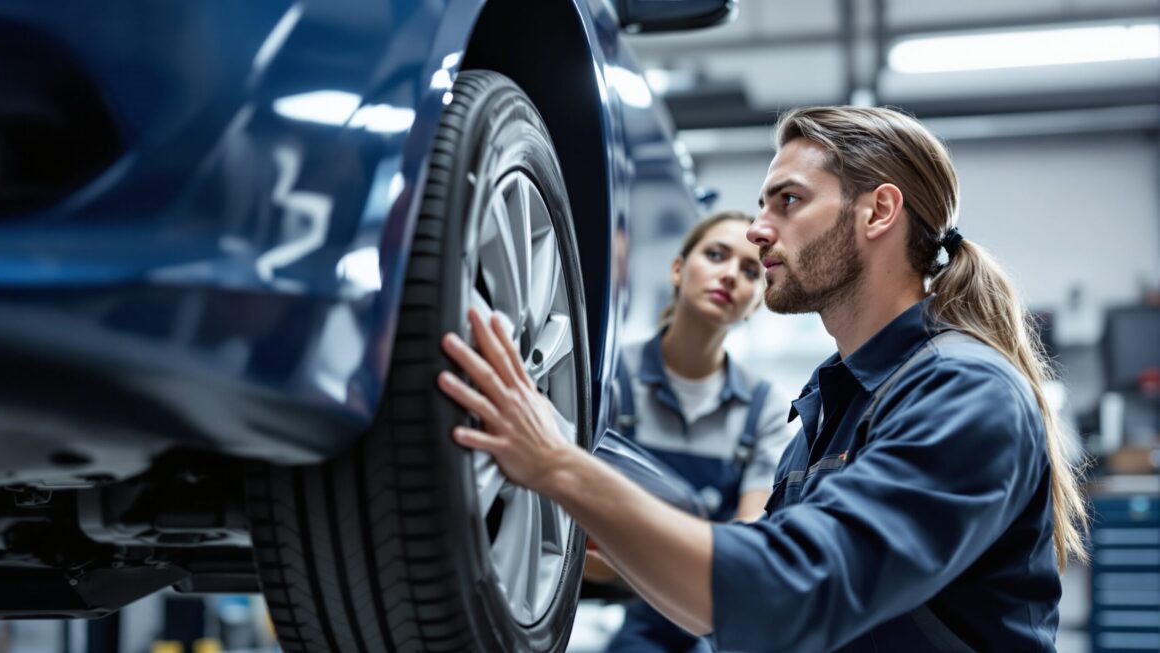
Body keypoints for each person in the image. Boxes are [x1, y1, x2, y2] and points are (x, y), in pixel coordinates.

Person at [436, 106, 1088, 651]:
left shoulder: (966, 394)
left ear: (878, 211)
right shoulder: (831, 405)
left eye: (788, 201)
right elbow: (727, 605)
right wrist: (576, 490)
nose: (756, 231)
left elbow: (790, 589)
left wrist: (558, 467)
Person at [594, 211, 794, 652]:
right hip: (607, 606)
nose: (729, 276)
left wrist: (630, 543)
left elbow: (747, 544)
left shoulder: (766, 408)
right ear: (678, 270)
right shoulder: (606, 380)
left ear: (755, 302)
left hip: (710, 615)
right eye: (716, 255)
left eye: (748, 271)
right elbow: (573, 539)